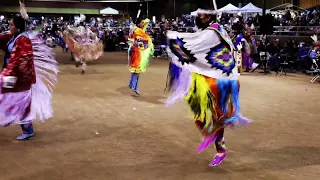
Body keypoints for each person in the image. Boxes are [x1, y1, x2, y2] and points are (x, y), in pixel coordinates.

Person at [165, 8, 251, 166]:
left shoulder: (214, 31)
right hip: (205, 77)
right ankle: (213, 138)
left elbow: (199, 48)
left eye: (203, 13)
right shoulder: (205, 31)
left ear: (210, 15)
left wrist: (173, 39)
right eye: (199, 13)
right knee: (199, 110)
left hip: (219, 79)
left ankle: (221, 149)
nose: (199, 15)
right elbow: (197, 50)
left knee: (217, 115)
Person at [0, 2, 58, 140]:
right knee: (5, 94)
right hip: (11, 75)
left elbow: (22, 60)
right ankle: (10, 116)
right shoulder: (14, 36)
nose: (9, 27)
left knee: (21, 102)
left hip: (20, 78)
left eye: (11, 25)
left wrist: (8, 73)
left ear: (18, 27)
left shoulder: (23, 40)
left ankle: (28, 129)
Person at [127, 18, 154, 95]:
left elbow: (130, 40)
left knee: (135, 69)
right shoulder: (137, 30)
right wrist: (148, 42)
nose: (143, 24)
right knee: (137, 70)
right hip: (136, 52)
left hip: (133, 50)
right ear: (139, 23)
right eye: (142, 22)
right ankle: (134, 87)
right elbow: (139, 41)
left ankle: (131, 83)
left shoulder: (133, 29)